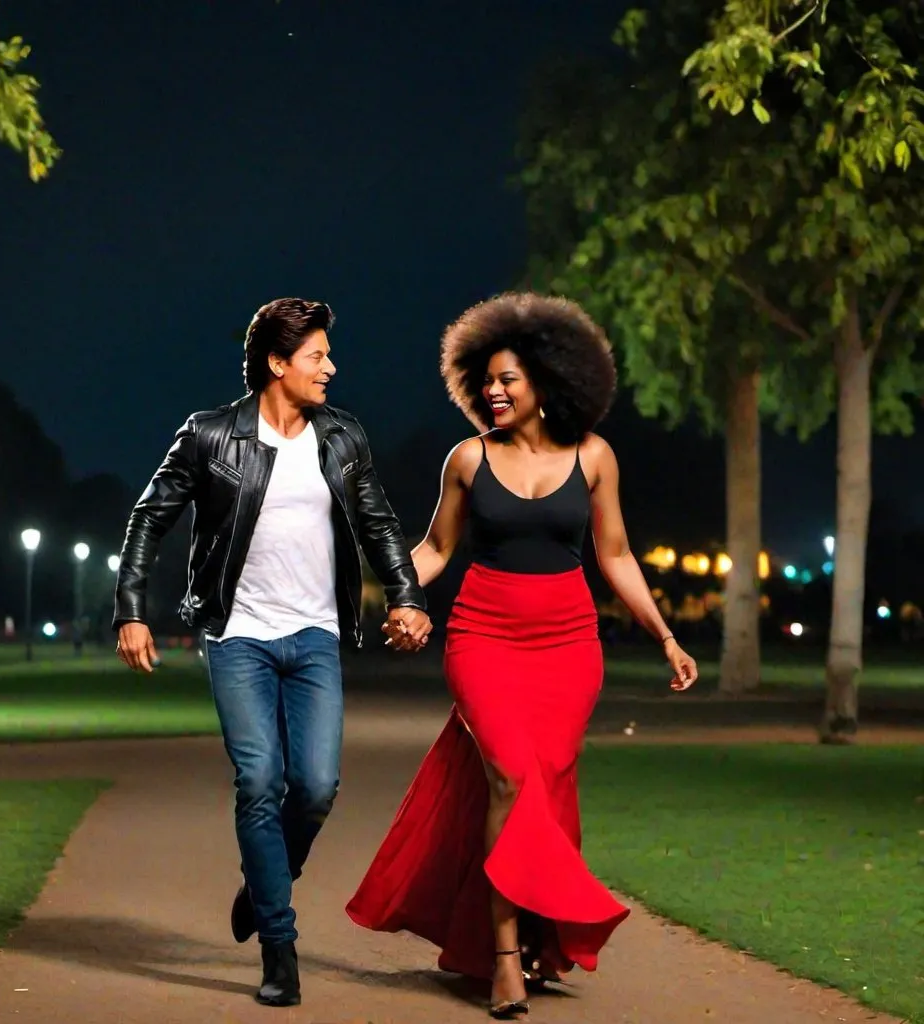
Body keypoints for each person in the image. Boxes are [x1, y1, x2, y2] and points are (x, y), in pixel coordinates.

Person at [346, 293, 698, 1019]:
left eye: (507, 379)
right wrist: (400, 596)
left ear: (548, 379)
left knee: (550, 785)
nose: (493, 392)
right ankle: (503, 954)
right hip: (483, 636)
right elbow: (439, 547)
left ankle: (539, 933)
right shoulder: (468, 458)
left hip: (570, 644)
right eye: (486, 381)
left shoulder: (594, 457)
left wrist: (665, 635)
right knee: (508, 774)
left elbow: (617, 554)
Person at [113, 297, 432, 1009]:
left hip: (315, 635)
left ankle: (261, 888)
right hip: (239, 637)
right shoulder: (209, 436)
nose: (331, 367)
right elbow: (148, 518)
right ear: (278, 362)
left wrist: (406, 595)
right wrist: (130, 609)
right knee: (260, 781)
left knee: (315, 787)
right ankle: (279, 948)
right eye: (318, 356)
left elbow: (378, 522)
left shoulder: (343, 437)